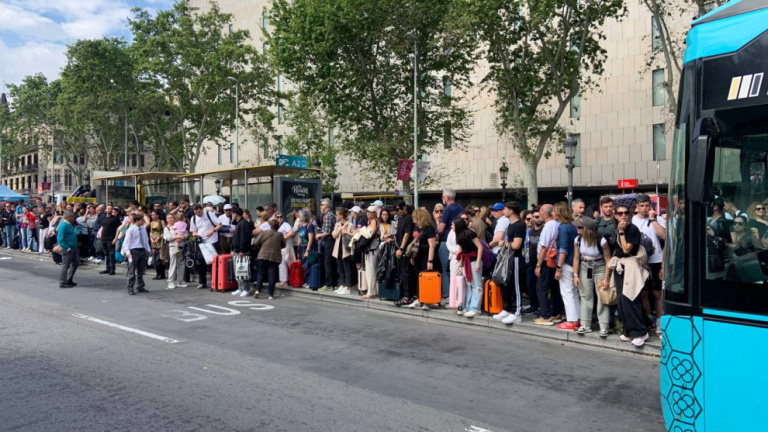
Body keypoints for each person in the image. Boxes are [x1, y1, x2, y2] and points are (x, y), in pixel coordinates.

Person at [604, 204, 649, 347]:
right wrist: (607, 274)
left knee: (631, 299)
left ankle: (641, 332)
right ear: (615, 215)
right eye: (620, 213)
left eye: (626, 212)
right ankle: (629, 331)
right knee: (622, 300)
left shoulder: (632, 229)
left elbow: (626, 249)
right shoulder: (615, 229)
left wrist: (622, 232)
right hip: (620, 266)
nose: (623, 215)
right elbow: (615, 251)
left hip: (630, 265)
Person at [572, 217, 612, 337]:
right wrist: (575, 275)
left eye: (580, 227)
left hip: (600, 266)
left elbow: (608, 259)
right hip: (585, 266)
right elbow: (576, 258)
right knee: (585, 295)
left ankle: (603, 325)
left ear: (586, 229)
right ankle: (585, 324)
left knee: (602, 295)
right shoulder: (578, 240)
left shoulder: (601, 241)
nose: (577, 228)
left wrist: (607, 277)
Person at [632, 194, 665, 336]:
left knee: (657, 293)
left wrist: (653, 220)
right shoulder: (632, 220)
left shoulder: (658, 219)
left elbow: (663, 236)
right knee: (643, 293)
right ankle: (649, 318)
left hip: (656, 260)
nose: (645, 208)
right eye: (642, 206)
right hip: (639, 261)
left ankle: (659, 322)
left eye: (647, 206)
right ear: (637, 207)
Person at [494, 201, 525, 324]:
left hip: (516, 258)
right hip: (508, 258)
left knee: (516, 286)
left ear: (511, 211)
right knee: (506, 283)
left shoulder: (519, 225)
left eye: (506, 209)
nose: (504, 211)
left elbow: (516, 245)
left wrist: (504, 243)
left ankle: (517, 313)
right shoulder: (511, 225)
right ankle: (507, 308)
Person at [534, 204, 563, 326]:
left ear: (546, 214)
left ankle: (545, 316)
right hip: (554, 259)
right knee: (555, 288)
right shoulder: (557, 224)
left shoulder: (548, 227)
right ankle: (556, 313)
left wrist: (538, 265)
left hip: (546, 260)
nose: (539, 213)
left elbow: (543, 247)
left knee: (541, 288)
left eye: (540, 211)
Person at [554, 202, 580, 331]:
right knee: (574, 292)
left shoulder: (563, 227)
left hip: (566, 263)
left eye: (554, 211)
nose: (553, 213)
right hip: (574, 262)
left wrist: (559, 267)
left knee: (567, 292)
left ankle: (571, 320)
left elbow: (563, 249)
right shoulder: (573, 226)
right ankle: (577, 319)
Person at [454, 216, 484, 318]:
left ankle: (475, 308)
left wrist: (478, 262)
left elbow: (480, 247)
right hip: (467, 260)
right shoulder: (459, 235)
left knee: (477, 285)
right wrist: (460, 265)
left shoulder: (470, 233)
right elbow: (461, 251)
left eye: (453, 225)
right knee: (469, 284)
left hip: (474, 259)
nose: (451, 227)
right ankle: (468, 307)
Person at [437, 188, 464, 300]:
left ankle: (447, 294)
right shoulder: (460, 208)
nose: (442, 198)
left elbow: (441, 229)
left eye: (443, 196)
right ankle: (458, 295)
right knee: (458, 269)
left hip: (446, 240)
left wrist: (437, 230)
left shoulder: (447, 209)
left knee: (444, 269)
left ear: (447, 197)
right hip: (459, 240)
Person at [407, 208, 437, 308]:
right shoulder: (416, 227)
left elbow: (432, 246)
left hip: (425, 255)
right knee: (418, 277)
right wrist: (413, 256)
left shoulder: (429, 229)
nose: (413, 218)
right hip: (417, 255)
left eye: (414, 217)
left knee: (425, 278)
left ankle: (426, 300)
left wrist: (430, 261)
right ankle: (420, 298)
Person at [189, 204, 223, 289]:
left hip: (212, 241)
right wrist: (196, 234)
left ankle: (215, 282)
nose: (198, 214)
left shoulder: (209, 214)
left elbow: (220, 224)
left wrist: (213, 230)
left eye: (199, 212)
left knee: (213, 262)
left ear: (202, 210)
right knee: (200, 262)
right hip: (201, 242)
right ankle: (202, 282)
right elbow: (193, 231)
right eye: (196, 212)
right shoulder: (193, 218)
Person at [252, 219, 285, 299]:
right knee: (272, 274)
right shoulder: (280, 234)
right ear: (278, 227)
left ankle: (258, 290)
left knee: (261, 273)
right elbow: (284, 245)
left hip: (263, 255)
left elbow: (256, 242)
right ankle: (270, 294)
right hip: (274, 257)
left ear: (270, 226)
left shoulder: (264, 232)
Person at [122, 214, 152, 295]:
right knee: (132, 270)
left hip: (142, 250)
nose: (143, 221)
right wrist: (127, 252)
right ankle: (130, 287)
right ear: (137, 221)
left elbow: (145, 240)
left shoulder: (143, 229)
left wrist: (148, 249)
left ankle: (140, 286)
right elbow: (126, 242)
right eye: (141, 220)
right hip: (134, 250)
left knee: (141, 270)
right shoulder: (131, 230)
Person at [394, 202, 415, 306]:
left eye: (400, 209)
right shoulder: (400, 218)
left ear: (404, 207)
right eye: (397, 210)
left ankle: (408, 296)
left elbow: (407, 234)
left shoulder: (408, 218)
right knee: (403, 273)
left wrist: (401, 248)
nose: (399, 211)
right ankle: (406, 295)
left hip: (406, 249)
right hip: (401, 247)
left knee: (406, 273)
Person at [331, 207, 355, 295]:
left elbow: (355, 234)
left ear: (341, 215)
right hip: (338, 248)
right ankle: (342, 284)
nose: (336, 216)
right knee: (340, 267)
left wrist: (346, 232)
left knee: (347, 268)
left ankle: (348, 286)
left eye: (337, 214)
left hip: (346, 249)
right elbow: (334, 235)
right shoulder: (337, 224)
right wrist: (339, 230)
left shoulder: (350, 224)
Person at [231, 208, 253, 297]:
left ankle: (246, 289)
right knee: (238, 271)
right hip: (237, 250)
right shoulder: (239, 222)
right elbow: (233, 223)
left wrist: (242, 250)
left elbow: (244, 238)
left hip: (241, 251)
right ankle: (240, 288)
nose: (232, 215)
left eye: (233, 214)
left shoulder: (243, 223)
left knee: (243, 270)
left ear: (236, 214)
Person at [316, 199, 338, 291]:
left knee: (328, 262)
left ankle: (328, 284)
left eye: (322, 204)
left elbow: (327, 232)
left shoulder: (328, 216)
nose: (320, 206)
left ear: (327, 206)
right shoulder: (328, 215)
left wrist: (319, 235)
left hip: (329, 241)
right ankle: (333, 283)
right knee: (331, 262)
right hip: (329, 241)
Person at [165, 213, 189, 289]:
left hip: (182, 245)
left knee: (181, 264)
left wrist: (183, 237)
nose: (170, 219)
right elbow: (166, 237)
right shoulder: (167, 228)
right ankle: (171, 281)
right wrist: (175, 236)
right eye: (168, 218)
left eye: (171, 217)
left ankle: (180, 280)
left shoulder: (180, 225)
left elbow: (186, 233)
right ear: (166, 219)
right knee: (173, 264)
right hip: (173, 246)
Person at [361, 206, 380, 299]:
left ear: (375, 213)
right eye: (367, 212)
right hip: (372, 248)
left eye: (371, 212)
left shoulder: (374, 221)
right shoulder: (372, 221)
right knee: (370, 270)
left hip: (372, 248)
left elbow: (371, 233)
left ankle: (371, 292)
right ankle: (373, 291)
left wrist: (362, 230)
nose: (368, 213)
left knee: (371, 271)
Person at [57, 211, 79, 288]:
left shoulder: (69, 225)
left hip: (73, 247)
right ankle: (63, 282)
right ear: (68, 217)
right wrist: (66, 248)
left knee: (76, 263)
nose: (73, 218)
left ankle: (69, 279)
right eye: (72, 217)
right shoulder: (63, 225)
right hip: (68, 248)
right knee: (66, 265)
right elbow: (60, 238)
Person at [275, 211, 297, 286]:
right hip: (280, 246)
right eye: (278, 217)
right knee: (282, 263)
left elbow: (291, 233)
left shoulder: (285, 224)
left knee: (287, 261)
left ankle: (286, 280)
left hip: (286, 245)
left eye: (281, 217)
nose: (279, 218)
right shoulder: (277, 225)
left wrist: (282, 238)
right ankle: (284, 280)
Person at [99, 207, 122, 276]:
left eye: (111, 209)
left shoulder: (115, 219)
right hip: (103, 238)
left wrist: (116, 238)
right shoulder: (104, 218)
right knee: (106, 254)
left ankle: (112, 269)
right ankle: (107, 268)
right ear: (106, 210)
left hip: (111, 238)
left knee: (111, 254)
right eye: (108, 209)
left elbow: (118, 229)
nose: (109, 210)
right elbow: (102, 227)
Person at [149, 209, 166, 280]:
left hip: (160, 240)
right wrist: (152, 239)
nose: (152, 216)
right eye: (152, 215)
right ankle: (158, 273)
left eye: (154, 215)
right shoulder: (152, 223)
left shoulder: (161, 221)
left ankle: (162, 274)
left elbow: (165, 231)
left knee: (159, 258)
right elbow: (151, 232)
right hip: (154, 240)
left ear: (157, 215)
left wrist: (159, 237)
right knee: (155, 258)